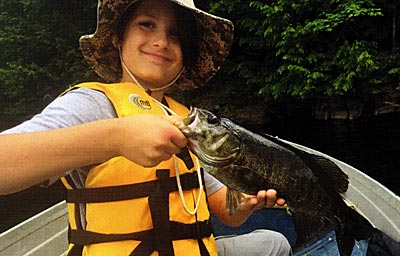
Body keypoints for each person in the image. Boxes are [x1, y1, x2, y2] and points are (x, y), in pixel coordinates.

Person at [0, 0, 291, 255]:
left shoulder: (189, 119)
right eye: (147, 24)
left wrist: (244, 202)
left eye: (175, 35)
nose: (162, 42)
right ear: (118, 38)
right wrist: (117, 138)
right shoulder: (93, 104)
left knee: (275, 242)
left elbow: (226, 214)